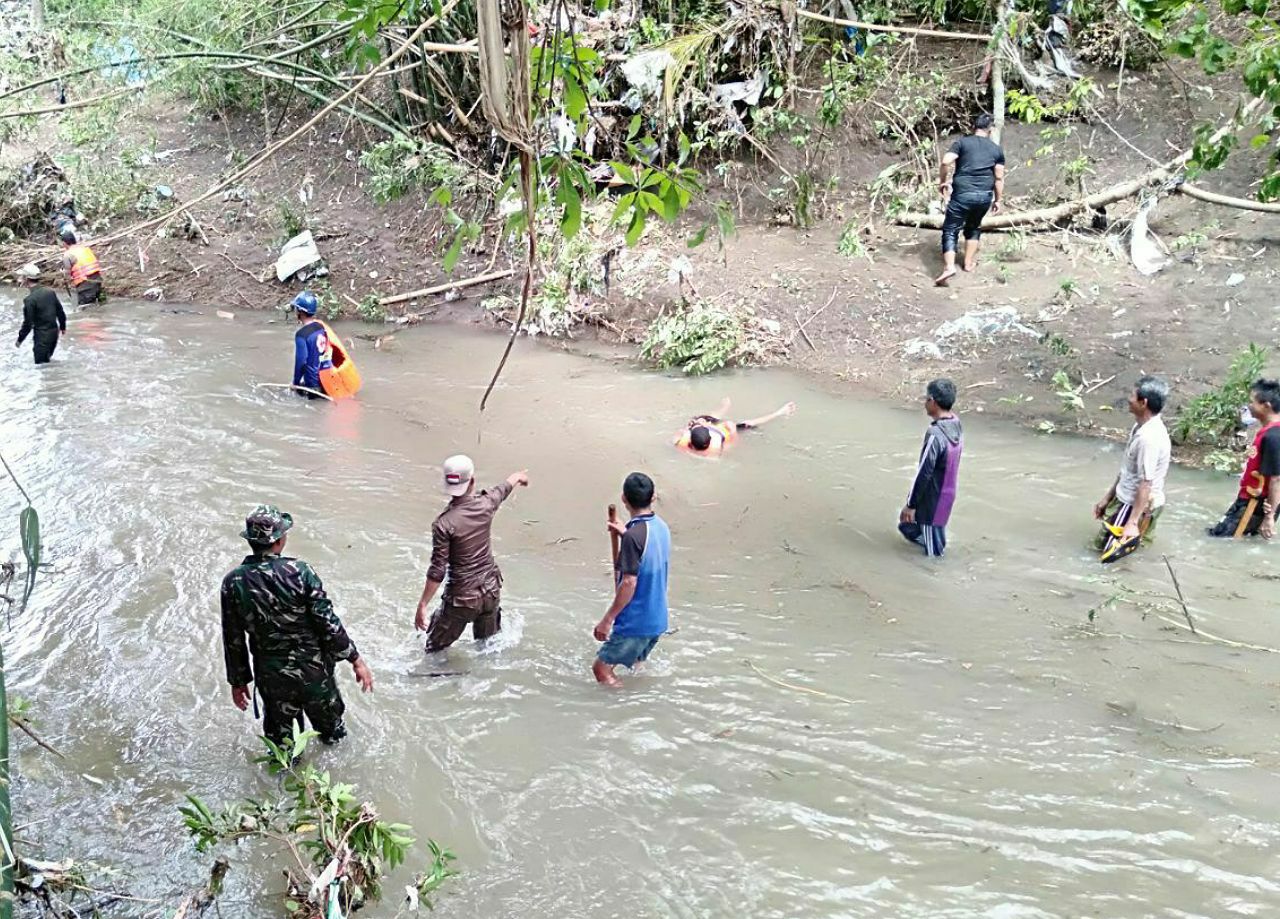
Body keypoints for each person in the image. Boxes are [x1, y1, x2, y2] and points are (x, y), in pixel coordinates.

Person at [221, 505, 374, 747]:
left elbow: (233, 638)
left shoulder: (233, 582)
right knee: (334, 738)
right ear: (280, 541)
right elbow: (327, 622)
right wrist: (355, 659)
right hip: (314, 673)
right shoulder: (300, 572)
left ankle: (285, 780)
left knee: (283, 749)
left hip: (272, 678)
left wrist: (238, 682)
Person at [414, 457, 529, 653]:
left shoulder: (443, 524)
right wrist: (519, 476)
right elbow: (504, 488)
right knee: (488, 648)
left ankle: (451, 679)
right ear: (472, 481)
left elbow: (437, 570)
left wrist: (422, 604)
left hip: (461, 600)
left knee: (433, 650)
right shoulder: (487, 503)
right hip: (491, 591)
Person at [594, 472, 670, 686]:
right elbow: (646, 554)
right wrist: (625, 533)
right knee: (636, 665)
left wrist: (607, 619)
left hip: (636, 622)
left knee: (601, 669)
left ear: (624, 499)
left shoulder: (634, 537)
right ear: (653, 497)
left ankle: (622, 709)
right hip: (657, 619)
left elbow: (629, 582)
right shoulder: (662, 528)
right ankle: (641, 705)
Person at [1091, 376, 1172, 558]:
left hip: (1133, 506)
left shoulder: (1148, 439)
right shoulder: (1141, 427)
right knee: (1125, 555)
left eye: (1132, 396)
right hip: (1130, 502)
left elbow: (1145, 483)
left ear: (1143, 403)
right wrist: (1108, 497)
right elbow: (1129, 470)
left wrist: (1132, 522)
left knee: (1105, 556)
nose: (1128, 399)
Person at [935, 113, 1006, 286]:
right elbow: (998, 178)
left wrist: (943, 181)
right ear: (990, 130)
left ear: (973, 127)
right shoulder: (996, 150)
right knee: (974, 227)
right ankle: (967, 263)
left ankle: (949, 267)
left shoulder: (962, 143)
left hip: (962, 195)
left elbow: (945, 162)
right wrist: (998, 200)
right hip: (983, 197)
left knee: (951, 229)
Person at [899, 378, 964, 557]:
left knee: (934, 555)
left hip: (932, 503)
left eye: (926, 399)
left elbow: (924, 471)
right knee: (906, 526)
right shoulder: (955, 423)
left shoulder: (936, 435)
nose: (925, 403)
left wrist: (911, 505)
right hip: (946, 495)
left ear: (933, 402)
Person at [1208, 378, 1280, 539]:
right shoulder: (1270, 432)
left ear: (1266, 406)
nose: (1249, 406)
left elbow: (1277, 478)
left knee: (1221, 539)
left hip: (1254, 503)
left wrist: (1269, 517)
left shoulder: (1274, 436)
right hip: (1252, 500)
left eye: (1252, 402)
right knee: (1224, 537)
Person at [674, 397, 797, 457]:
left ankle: (724, 408)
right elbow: (731, 444)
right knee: (748, 423)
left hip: (710, 431)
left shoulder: (682, 443)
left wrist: (692, 427)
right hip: (723, 432)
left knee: (708, 417)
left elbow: (678, 437)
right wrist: (733, 433)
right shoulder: (716, 447)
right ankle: (779, 413)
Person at [13, 264, 66, 365]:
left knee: (41, 367)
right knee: (48, 363)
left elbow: (28, 324)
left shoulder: (30, 300)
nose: (20, 279)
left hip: (42, 338)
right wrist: (63, 327)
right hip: (54, 334)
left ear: (26, 279)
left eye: (22, 276)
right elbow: (60, 311)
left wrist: (20, 340)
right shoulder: (50, 292)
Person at [59, 226, 103, 305]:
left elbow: (67, 275)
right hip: (97, 280)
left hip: (85, 284)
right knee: (97, 303)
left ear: (64, 243)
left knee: (85, 308)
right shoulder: (85, 248)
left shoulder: (68, 255)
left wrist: (65, 278)